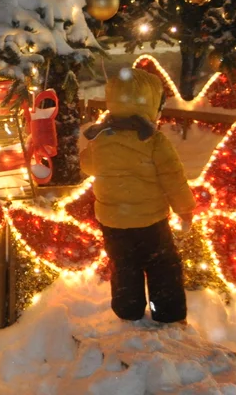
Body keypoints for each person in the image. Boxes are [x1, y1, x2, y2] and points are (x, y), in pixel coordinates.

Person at [80, 66, 197, 325]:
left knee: (124, 265)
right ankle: (168, 313)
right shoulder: (153, 141)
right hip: (150, 220)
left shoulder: (101, 137)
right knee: (162, 266)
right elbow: (173, 177)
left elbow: (88, 166)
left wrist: (95, 146)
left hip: (113, 221)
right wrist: (185, 209)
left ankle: (128, 310)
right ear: (151, 103)